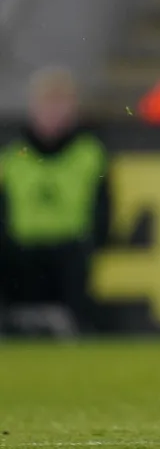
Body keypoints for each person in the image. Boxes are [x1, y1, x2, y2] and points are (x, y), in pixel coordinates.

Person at [0, 68, 110, 336]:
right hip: (20, 256)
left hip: (70, 255)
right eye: (47, 104)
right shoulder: (12, 157)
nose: (53, 112)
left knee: (76, 263)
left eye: (60, 104)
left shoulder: (89, 154)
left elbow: (103, 211)